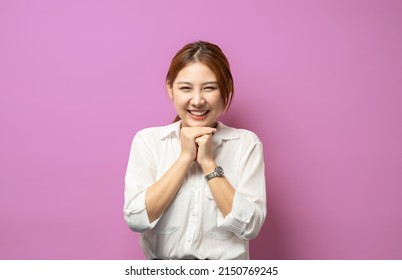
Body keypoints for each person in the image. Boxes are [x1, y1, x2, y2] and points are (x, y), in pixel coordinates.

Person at [124, 41, 266, 260]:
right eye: (186, 88)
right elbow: (136, 219)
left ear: (225, 88)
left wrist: (208, 163)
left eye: (209, 88)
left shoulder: (246, 144)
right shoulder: (148, 141)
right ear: (170, 89)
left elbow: (250, 226)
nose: (198, 101)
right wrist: (184, 158)